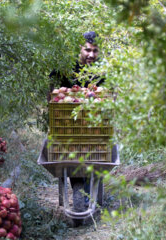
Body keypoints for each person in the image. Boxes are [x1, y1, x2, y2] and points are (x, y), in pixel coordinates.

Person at [49, 31, 104, 210]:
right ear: (80, 49)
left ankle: (86, 191)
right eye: (87, 50)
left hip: (92, 123)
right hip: (67, 123)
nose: (91, 55)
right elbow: (53, 86)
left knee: (93, 151)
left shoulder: (100, 71)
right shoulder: (67, 67)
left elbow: (104, 95)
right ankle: (82, 190)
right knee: (70, 151)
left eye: (95, 51)